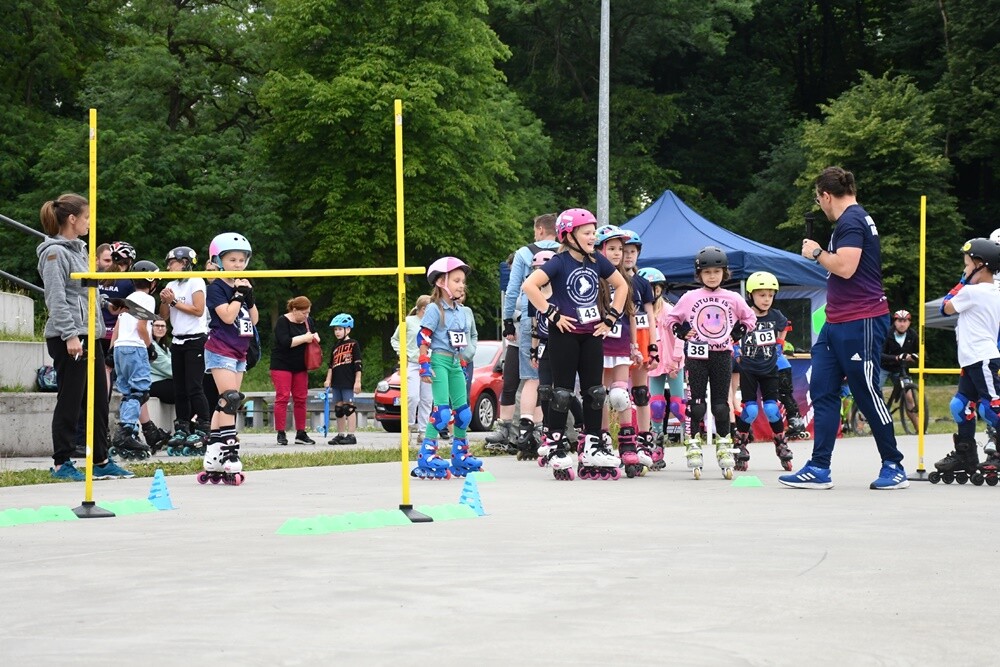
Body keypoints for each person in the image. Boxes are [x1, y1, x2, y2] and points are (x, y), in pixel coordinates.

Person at [782, 166, 909, 490]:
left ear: (826, 196)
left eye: (818, 198)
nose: (820, 205)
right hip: (836, 321)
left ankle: (893, 465)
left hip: (861, 320)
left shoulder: (851, 220)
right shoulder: (852, 220)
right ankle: (819, 467)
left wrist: (816, 252)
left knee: (866, 391)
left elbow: (847, 267)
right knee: (822, 390)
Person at [522, 208, 630, 481]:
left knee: (595, 392)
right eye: (587, 233)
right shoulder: (559, 262)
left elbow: (622, 286)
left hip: (592, 334)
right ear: (569, 234)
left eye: (594, 232)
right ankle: (555, 444)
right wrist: (551, 313)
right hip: (565, 334)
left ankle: (593, 443)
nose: (593, 237)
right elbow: (530, 286)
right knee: (562, 393)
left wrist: (611, 317)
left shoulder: (597, 261)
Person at [36, 193, 133, 480]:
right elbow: (56, 299)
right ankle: (61, 462)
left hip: (89, 333)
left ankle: (101, 459)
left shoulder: (80, 250)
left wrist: (107, 305)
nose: (90, 223)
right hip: (69, 337)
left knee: (98, 400)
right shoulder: (54, 254)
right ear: (72, 219)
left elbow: (84, 293)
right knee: (71, 398)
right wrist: (69, 336)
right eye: (87, 217)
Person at [665, 246, 756, 480]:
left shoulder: (734, 298)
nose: (712, 276)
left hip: (722, 355)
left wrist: (737, 333)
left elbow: (750, 318)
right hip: (696, 355)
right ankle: (694, 443)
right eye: (707, 272)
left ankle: (724, 443)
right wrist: (682, 331)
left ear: (724, 273)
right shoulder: (690, 297)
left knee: (720, 405)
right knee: (696, 404)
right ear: (699, 274)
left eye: (717, 271)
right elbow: (671, 319)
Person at [493, 213, 560, 453]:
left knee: (533, 376)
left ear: (540, 229)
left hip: (531, 317)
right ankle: (563, 432)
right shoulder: (566, 250)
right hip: (561, 315)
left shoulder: (523, 253)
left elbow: (513, 291)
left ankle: (528, 430)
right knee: (561, 378)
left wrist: (508, 321)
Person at [412, 257, 484, 478]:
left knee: (463, 413)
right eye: (456, 280)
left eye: (462, 281)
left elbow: (460, 341)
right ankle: (427, 454)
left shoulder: (461, 311)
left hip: (455, 363)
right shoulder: (434, 309)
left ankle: (460, 454)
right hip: (439, 362)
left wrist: (462, 363)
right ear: (442, 282)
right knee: (442, 412)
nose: (462, 285)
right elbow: (423, 338)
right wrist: (424, 366)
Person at [934, 239, 1000, 481]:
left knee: (993, 409)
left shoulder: (972, 292)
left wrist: (961, 282)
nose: (964, 270)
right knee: (960, 407)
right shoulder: (994, 290)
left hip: (981, 359)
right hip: (973, 361)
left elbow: (945, 308)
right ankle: (966, 455)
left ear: (980, 265)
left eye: (966, 265)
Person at [199, 232, 258, 484]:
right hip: (220, 348)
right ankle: (230, 452)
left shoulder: (242, 286)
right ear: (219, 260)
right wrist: (237, 295)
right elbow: (226, 316)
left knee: (227, 403)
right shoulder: (216, 288)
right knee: (230, 399)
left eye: (242, 260)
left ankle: (213, 454)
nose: (238, 264)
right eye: (232, 260)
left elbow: (253, 321)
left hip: (239, 351)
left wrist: (249, 298)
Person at [594, 225, 646, 477]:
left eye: (620, 249)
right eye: (612, 249)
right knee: (601, 395)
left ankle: (627, 440)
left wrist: (635, 345)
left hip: (622, 343)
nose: (618, 254)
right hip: (601, 344)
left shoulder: (625, 280)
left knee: (620, 395)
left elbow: (631, 316)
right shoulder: (594, 277)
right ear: (600, 250)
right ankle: (603, 440)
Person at [732, 271, 794, 472]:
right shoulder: (744, 315)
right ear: (751, 295)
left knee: (771, 409)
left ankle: (780, 442)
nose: (767, 299)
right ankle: (740, 443)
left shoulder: (776, 316)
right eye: (762, 295)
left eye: (770, 295)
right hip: (748, 369)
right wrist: (735, 349)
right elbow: (731, 333)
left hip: (769, 369)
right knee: (750, 411)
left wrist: (780, 345)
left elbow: (785, 326)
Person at [159, 245, 211, 455]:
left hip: (195, 340)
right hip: (178, 340)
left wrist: (174, 302)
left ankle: (204, 425)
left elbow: (198, 310)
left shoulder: (196, 281)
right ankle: (182, 426)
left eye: (173, 263)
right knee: (179, 388)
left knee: (194, 387)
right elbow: (163, 316)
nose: (170, 267)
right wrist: (164, 301)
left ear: (186, 263)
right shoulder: (171, 284)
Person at [109, 259, 162, 460]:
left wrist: (112, 349)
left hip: (120, 347)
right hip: (135, 347)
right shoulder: (147, 299)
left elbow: (117, 327)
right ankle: (126, 432)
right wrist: (150, 347)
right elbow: (141, 328)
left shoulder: (128, 297)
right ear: (152, 281)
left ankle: (126, 430)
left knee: (127, 392)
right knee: (139, 392)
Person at [622, 230, 660, 470]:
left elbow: (651, 316)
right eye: (624, 252)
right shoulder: (609, 279)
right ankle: (621, 439)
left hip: (642, 338)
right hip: (619, 339)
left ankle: (645, 439)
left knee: (641, 392)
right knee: (617, 393)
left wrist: (654, 347)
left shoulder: (642, 283)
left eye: (632, 252)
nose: (627, 256)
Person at [639, 267, 684, 469]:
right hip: (653, 365)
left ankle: (693, 439)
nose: (650, 292)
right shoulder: (641, 312)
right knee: (656, 406)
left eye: (654, 288)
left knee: (678, 406)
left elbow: (681, 336)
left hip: (673, 363)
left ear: (660, 289)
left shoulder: (669, 311)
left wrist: (676, 360)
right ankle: (657, 444)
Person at [270, 296, 319, 446]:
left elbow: (315, 336)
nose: (306, 316)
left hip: (301, 365)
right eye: (304, 313)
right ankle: (281, 432)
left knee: (301, 398)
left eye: (308, 313)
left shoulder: (308, 321)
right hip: (282, 365)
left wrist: (313, 337)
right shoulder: (282, 321)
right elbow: (286, 342)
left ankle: (301, 432)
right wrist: (305, 338)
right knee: (283, 397)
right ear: (294, 310)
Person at [390, 295, 434, 439]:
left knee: (427, 398)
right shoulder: (408, 322)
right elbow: (395, 339)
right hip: (413, 363)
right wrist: (402, 353)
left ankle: (423, 431)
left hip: (428, 362)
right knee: (413, 396)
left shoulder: (433, 323)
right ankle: (408, 426)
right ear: (423, 309)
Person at [879, 309, 920, 431]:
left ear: (909, 322)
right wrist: (896, 357)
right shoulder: (887, 334)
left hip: (900, 369)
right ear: (895, 322)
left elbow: (920, 352)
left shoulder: (913, 335)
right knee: (874, 390)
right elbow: (879, 354)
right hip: (884, 367)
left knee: (909, 397)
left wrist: (914, 357)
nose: (902, 324)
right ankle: (861, 425)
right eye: (899, 321)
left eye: (905, 321)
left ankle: (919, 429)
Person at [325, 313, 363, 445]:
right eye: (335, 329)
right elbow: (331, 365)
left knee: (348, 408)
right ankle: (340, 434)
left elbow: (358, 364)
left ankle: (351, 435)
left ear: (348, 329)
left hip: (348, 381)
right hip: (337, 381)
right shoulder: (335, 347)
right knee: (339, 409)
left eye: (340, 329)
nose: (337, 332)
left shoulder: (353, 344)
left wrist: (357, 381)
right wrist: (328, 380)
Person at [149, 318, 176, 406]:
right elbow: (169, 368)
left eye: (163, 326)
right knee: (187, 390)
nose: (160, 328)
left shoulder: (164, 347)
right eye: (156, 325)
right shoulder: (151, 346)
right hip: (153, 383)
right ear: (151, 328)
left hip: (164, 380)